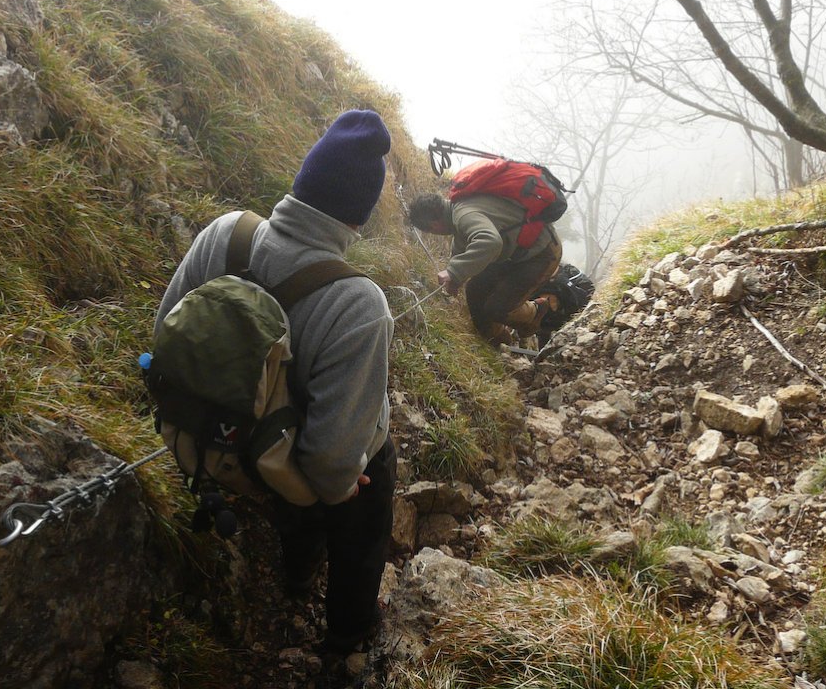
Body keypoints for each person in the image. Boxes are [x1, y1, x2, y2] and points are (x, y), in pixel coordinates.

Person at [154, 109, 395, 655]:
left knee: (303, 480)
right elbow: (330, 464)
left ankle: (298, 573)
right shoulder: (360, 304)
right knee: (372, 471)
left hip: (207, 438)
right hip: (280, 466)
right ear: (358, 219)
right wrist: (342, 483)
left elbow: (164, 335)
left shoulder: (226, 234)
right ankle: (350, 630)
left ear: (301, 181)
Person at [407, 189, 562, 346]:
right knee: (475, 289)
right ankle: (496, 339)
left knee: (497, 307)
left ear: (433, 225)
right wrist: (455, 279)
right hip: (515, 251)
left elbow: (490, 242)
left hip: (541, 253)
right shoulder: (457, 209)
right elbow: (462, 242)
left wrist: (454, 272)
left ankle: (535, 311)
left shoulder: (463, 215)